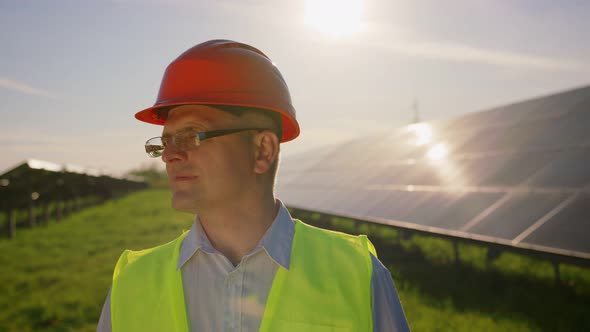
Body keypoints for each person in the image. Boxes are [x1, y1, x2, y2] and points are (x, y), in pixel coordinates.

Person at [97, 39, 409, 332]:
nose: (169, 156)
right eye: (164, 142)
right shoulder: (131, 283)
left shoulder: (357, 274)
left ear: (262, 150)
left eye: (191, 135)